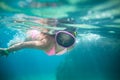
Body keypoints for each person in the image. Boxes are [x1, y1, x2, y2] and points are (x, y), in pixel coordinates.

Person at [0, 18, 76, 56]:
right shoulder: (45, 44)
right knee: (22, 42)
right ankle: (12, 45)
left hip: (42, 34)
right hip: (33, 34)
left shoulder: (71, 46)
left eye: (68, 40)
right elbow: (23, 45)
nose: (63, 41)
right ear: (56, 35)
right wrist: (7, 51)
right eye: (62, 37)